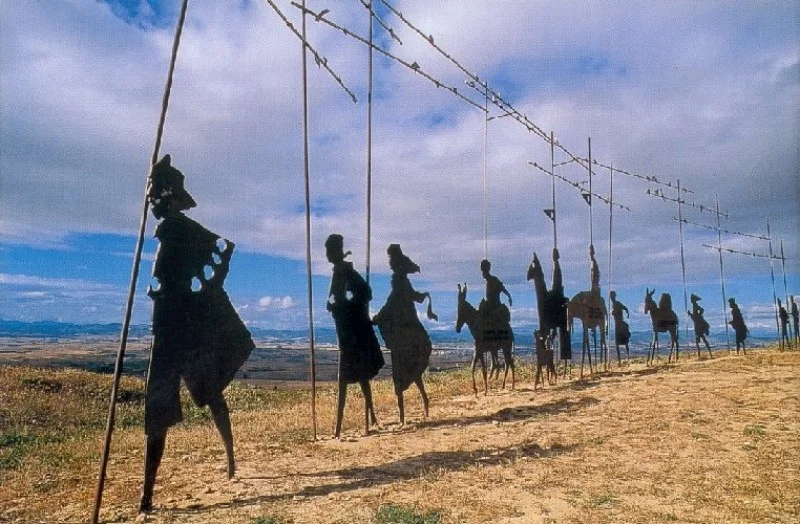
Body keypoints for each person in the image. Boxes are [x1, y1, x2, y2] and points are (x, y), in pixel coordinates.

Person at [140, 155, 254, 513]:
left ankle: (231, 459)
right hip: (167, 331)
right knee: (159, 408)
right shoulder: (169, 232)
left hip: (183, 331)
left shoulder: (181, 230)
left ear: (171, 198)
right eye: (152, 196)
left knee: (207, 395)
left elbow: (222, 250)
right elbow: (166, 277)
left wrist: (197, 288)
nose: (153, 203)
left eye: (158, 196)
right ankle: (146, 496)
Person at [325, 234, 384, 437]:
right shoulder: (338, 271)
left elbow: (365, 293)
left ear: (334, 251)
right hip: (344, 330)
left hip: (350, 333)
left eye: (328, 250)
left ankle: (338, 428)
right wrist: (333, 303)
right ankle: (371, 417)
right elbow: (335, 297)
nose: (326, 254)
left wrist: (346, 305)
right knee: (360, 377)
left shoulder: (346, 271)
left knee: (347, 378)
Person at [373, 244, 436, 425]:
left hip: (402, 334)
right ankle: (422, 401)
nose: (389, 262)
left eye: (391, 259)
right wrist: (422, 295)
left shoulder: (400, 283)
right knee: (411, 372)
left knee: (399, 373)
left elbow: (390, 304)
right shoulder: (402, 282)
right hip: (410, 331)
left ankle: (402, 418)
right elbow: (412, 297)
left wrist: (376, 318)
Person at [609, 290, 630, 358]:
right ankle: (620, 359)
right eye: (611, 296)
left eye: (612, 296)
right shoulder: (614, 304)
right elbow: (625, 309)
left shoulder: (617, 303)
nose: (612, 298)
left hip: (619, 325)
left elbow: (625, 308)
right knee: (617, 343)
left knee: (624, 342)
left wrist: (614, 312)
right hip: (617, 325)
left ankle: (627, 357)